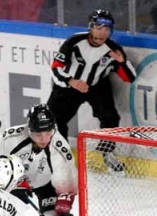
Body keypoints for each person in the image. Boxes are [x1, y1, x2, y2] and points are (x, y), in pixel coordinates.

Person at [47, 9, 137, 148]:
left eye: (106, 29)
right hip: (68, 86)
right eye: (98, 28)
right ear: (91, 27)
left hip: (96, 86)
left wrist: (122, 62)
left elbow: (130, 78)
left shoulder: (113, 49)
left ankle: (106, 152)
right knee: (53, 121)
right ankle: (61, 152)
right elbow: (56, 67)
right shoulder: (74, 41)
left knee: (110, 118)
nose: (102, 33)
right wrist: (71, 81)